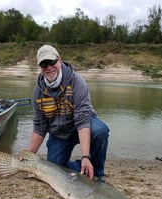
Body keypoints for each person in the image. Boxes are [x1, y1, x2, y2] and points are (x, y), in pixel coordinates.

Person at [29, 44, 109, 182]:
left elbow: (83, 120)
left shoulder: (77, 82)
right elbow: (40, 127)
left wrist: (85, 156)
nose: (48, 67)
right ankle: (85, 168)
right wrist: (28, 157)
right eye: (43, 64)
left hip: (82, 127)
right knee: (55, 168)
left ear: (59, 60)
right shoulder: (38, 92)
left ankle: (98, 174)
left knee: (100, 130)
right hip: (59, 134)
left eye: (51, 62)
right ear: (40, 67)